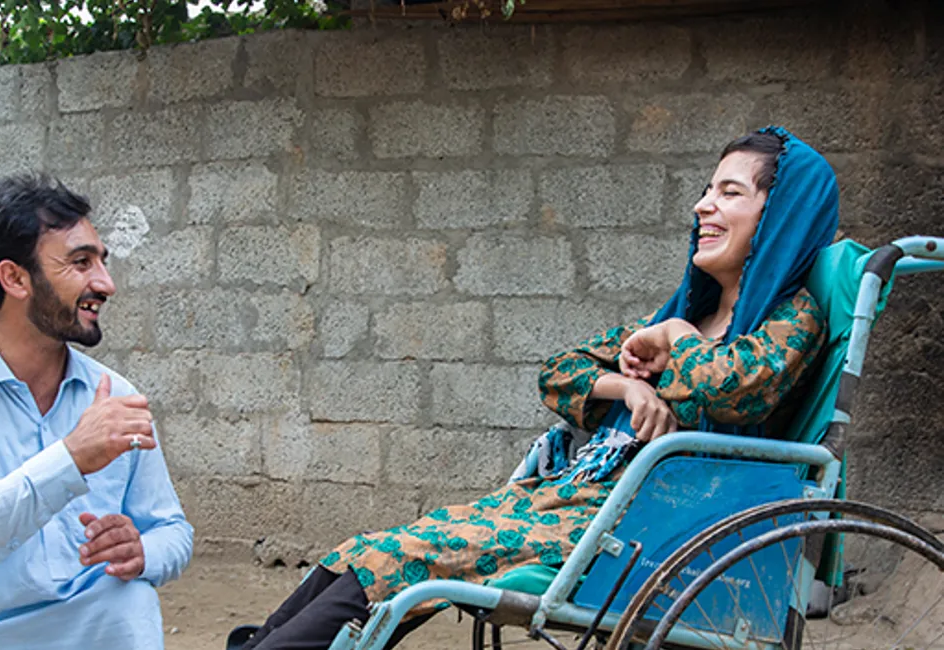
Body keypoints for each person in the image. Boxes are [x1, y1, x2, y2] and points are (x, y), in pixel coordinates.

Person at [231, 126, 839, 650]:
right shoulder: (686, 310)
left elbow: (735, 388)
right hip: (570, 498)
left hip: (640, 526)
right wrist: (625, 390)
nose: (704, 206)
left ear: (780, 216)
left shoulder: (793, 319)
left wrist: (676, 337)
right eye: (707, 190)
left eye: (730, 193)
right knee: (372, 548)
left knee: (411, 561)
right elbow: (559, 369)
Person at [0, 176, 194, 649]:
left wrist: (142, 551)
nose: (106, 284)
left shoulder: (115, 396)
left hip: (104, 634)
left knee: (131, 601)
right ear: (15, 278)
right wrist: (69, 459)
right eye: (80, 262)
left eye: (101, 262)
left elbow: (172, 530)